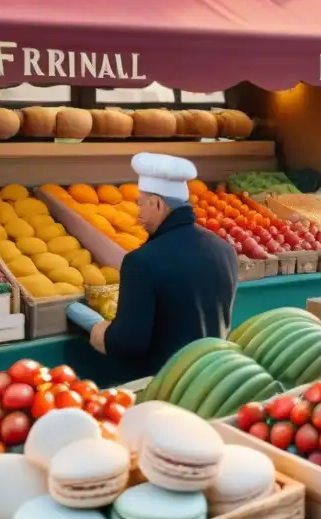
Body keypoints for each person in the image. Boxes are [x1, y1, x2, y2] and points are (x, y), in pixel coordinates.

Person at [88, 153, 239, 376]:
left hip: (167, 385)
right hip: (212, 378)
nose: (138, 214)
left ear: (157, 203)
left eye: (140, 204)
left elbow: (127, 344)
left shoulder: (141, 262)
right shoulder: (225, 250)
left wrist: (99, 332)